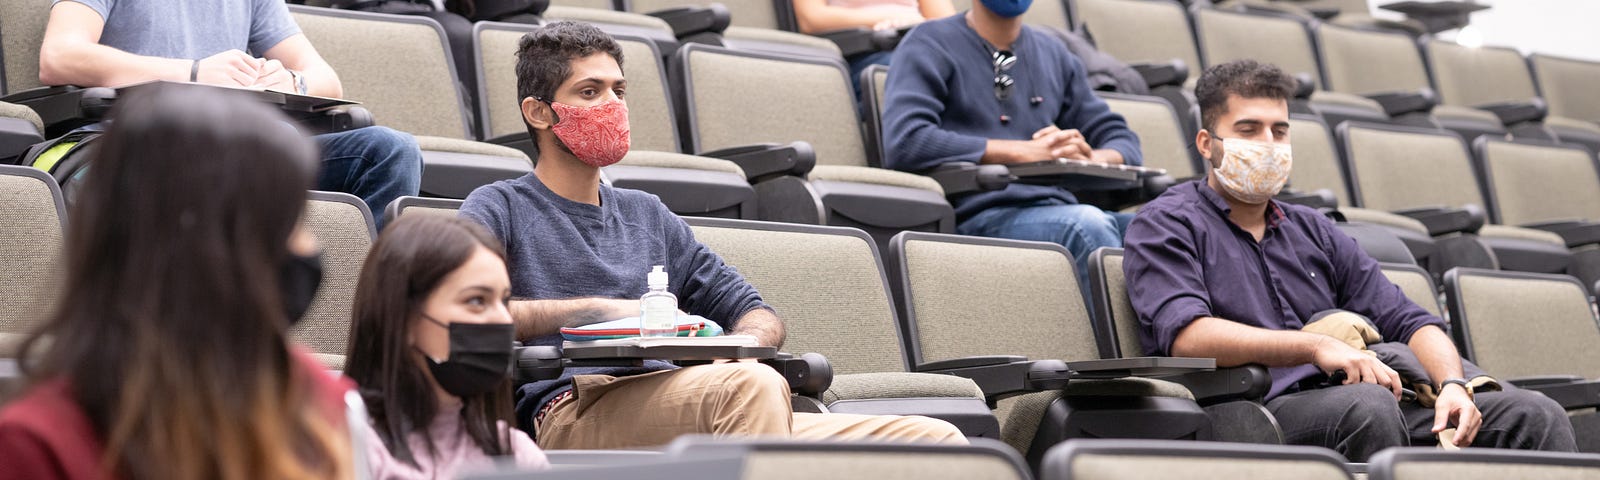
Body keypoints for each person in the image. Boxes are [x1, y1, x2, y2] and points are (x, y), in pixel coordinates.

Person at [459, 21, 965, 449]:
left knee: (935, 441)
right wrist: (599, 311)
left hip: (695, 391)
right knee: (751, 388)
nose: (612, 104)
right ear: (539, 112)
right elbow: (463, 312)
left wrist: (739, 344)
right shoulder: (499, 205)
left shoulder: (648, 214)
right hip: (572, 408)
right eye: (590, 92)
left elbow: (757, 310)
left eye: (619, 90)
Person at [1122, 60, 1577, 462]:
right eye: (1249, 129)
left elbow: (1409, 320)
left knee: (1534, 412)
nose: (1268, 143)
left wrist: (1453, 386)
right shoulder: (1166, 223)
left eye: (1279, 130)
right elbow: (1187, 336)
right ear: (1207, 142)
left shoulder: (1312, 228)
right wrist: (1316, 346)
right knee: (1368, 407)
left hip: (1359, 399)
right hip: (1247, 407)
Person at [0, 84, 351, 480]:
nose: (309, 246)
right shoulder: (39, 446)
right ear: (208, 250)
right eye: (292, 223)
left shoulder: (319, 397)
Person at [39, 0, 422, 224]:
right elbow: (58, 56)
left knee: (390, 151)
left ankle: (352, 313)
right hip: (142, 139)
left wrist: (289, 80)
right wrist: (193, 73)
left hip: (238, 147)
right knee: (271, 143)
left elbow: (326, 79)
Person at [881, 0, 1142, 287]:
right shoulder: (929, 42)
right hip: (978, 215)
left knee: (1162, 230)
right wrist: (1021, 152)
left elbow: (1122, 140)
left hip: (1056, 208)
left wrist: (1087, 158)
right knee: (1085, 227)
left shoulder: (1053, 52)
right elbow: (906, 140)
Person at [346, 214, 550, 478]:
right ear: (405, 318)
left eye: (504, 300)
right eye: (477, 300)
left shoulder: (517, 454)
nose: (503, 318)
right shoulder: (349, 450)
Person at [791, 0, 955, 92]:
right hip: (861, 53)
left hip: (918, 41)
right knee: (917, 72)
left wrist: (913, 23)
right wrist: (887, 18)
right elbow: (811, 19)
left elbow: (946, 22)